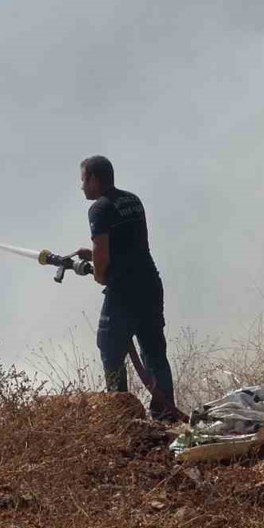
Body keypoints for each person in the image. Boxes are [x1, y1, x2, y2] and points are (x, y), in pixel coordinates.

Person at [75, 155, 177, 420]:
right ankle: (165, 417)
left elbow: (102, 255)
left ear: (95, 179)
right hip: (150, 284)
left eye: (83, 179)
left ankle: (123, 419)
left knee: (110, 346)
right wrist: (94, 256)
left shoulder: (98, 209)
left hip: (124, 292)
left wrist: (98, 273)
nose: (82, 186)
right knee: (154, 351)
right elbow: (129, 244)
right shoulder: (132, 200)